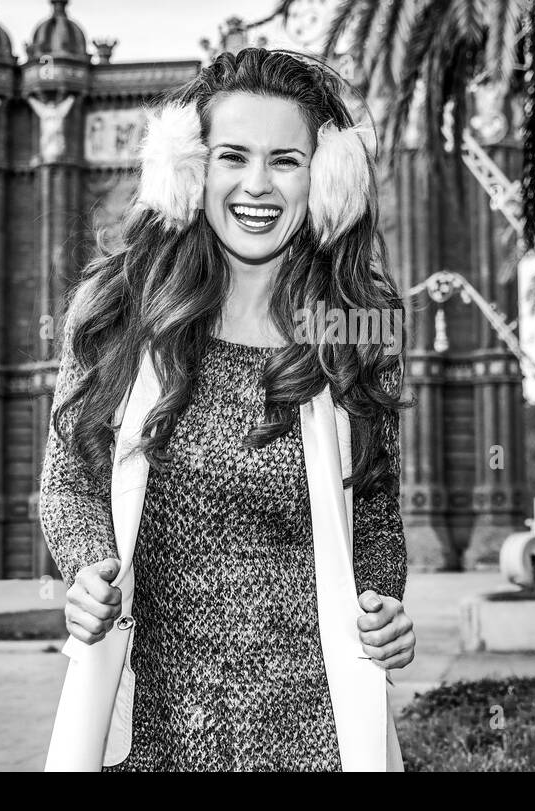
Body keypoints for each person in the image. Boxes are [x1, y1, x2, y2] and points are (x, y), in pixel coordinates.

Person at [40, 47, 416, 772]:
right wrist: (88, 569)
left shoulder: (352, 327)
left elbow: (372, 512)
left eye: (286, 160)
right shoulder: (116, 309)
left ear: (325, 175)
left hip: (317, 733)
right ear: (189, 169)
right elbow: (70, 481)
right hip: (152, 728)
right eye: (232, 156)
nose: (257, 185)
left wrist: (384, 607)